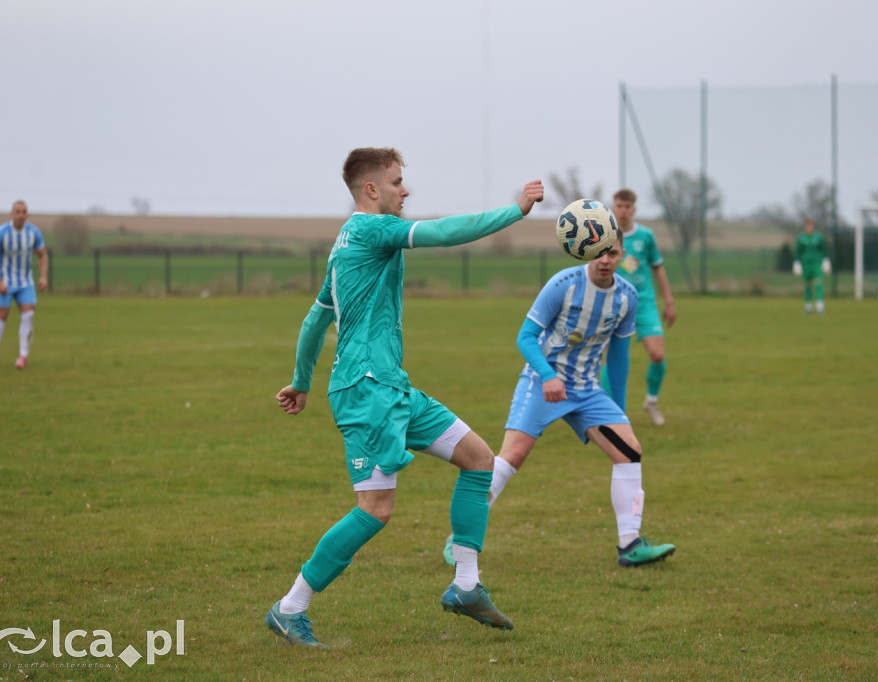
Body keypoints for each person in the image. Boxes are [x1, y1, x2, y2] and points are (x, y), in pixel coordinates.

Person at [265, 147, 544, 647]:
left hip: (392, 386)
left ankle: (464, 586)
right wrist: (514, 211)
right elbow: (441, 233)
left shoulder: (343, 245)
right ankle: (290, 608)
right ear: (371, 190)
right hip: (366, 391)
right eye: (396, 182)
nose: (405, 190)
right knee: (374, 509)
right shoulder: (372, 230)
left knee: (480, 460)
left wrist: (301, 381)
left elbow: (314, 321)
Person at [443, 229, 676, 570]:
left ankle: (630, 545)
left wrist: (618, 410)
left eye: (613, 253)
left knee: (629, 451)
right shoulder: (563, 284)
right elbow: (525, 337)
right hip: (541, 382)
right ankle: (460, 539)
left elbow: (620, 358)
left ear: (622, 254)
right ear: (585, 251)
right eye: (598, 252)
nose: (605, 260)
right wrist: (548, 375)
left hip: (586, 390)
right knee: (511, 457)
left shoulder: (627, 296)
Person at [604, 188, 676, 426]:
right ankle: (606, 413)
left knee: (658, 354)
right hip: (612, 301)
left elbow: (658, 267)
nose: (622, 211)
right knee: (610, 359)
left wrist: (669, 301)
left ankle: (651, 401)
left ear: (633, 209)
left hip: (644, 302)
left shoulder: (646, 236)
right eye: (618, 206)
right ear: (613, 208)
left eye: (627, 206)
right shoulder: (605, 235)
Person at [0, 200, 49, 372]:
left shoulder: (34, 233)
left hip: (25, 282)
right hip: (5, 282)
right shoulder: (0, 233)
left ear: (27, 215)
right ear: (11, 214)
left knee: (28, 316)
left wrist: (43, 276)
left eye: (24, 212)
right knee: (0, 318)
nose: (21, 215)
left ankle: (23, 356)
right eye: (18, 211)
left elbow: (42, 255)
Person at [792, 217, 832, 314]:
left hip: (816, 263)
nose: (809, 227)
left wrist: (826, 260)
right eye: (807, 226)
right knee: (807, 285)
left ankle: (820, 306)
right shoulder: (801, 238)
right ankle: (808, 306)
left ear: (813, 226)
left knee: (818, 284)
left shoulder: (818, 237)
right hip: (806, 264)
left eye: (810, 225)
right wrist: (797, 263)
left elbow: (823, 250)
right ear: (805, 227)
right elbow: (798, 251)